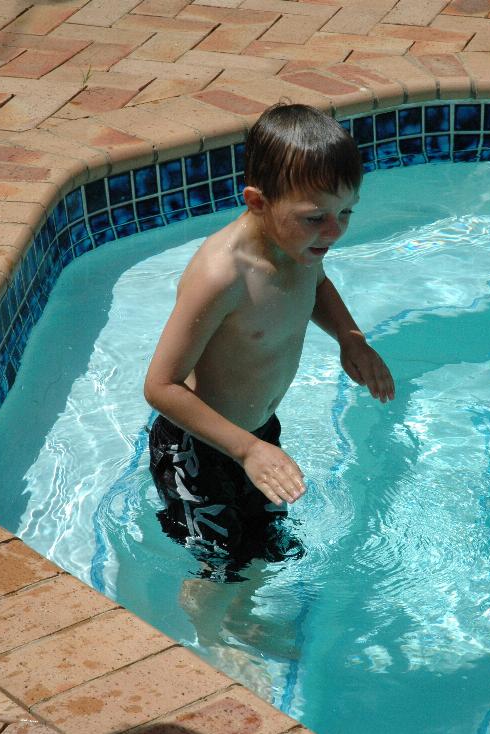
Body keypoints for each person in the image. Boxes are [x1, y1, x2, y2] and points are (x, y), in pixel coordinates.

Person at [144, 102, 395, 579]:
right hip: (199, 450)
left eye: (346, 212)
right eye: (316, 217)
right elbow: (160, 386)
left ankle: (245, 622)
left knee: (269, 547)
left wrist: (350, 338)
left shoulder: (297, 244)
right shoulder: (223, 274)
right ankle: (211, 640)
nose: (334, 230)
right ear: (258, 202)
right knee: (219, 567)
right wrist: (245, 450)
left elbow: (316, 283)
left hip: (259, 435)